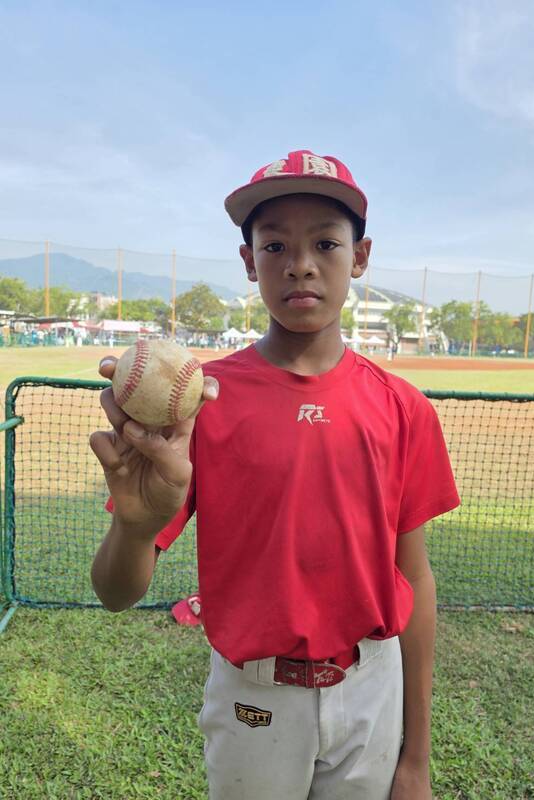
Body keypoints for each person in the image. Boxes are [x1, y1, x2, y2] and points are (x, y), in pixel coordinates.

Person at [90, 149, 460, 800]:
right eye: (274, 245)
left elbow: (416, 577)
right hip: (253, 700)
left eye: (325, 242)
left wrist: (416, 759)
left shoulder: (403, 408)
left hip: (374, 687)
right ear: (248, 261)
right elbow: (116, 592)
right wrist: (137, 527)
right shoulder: (204, 401)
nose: (301, 264)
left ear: (361, 257)